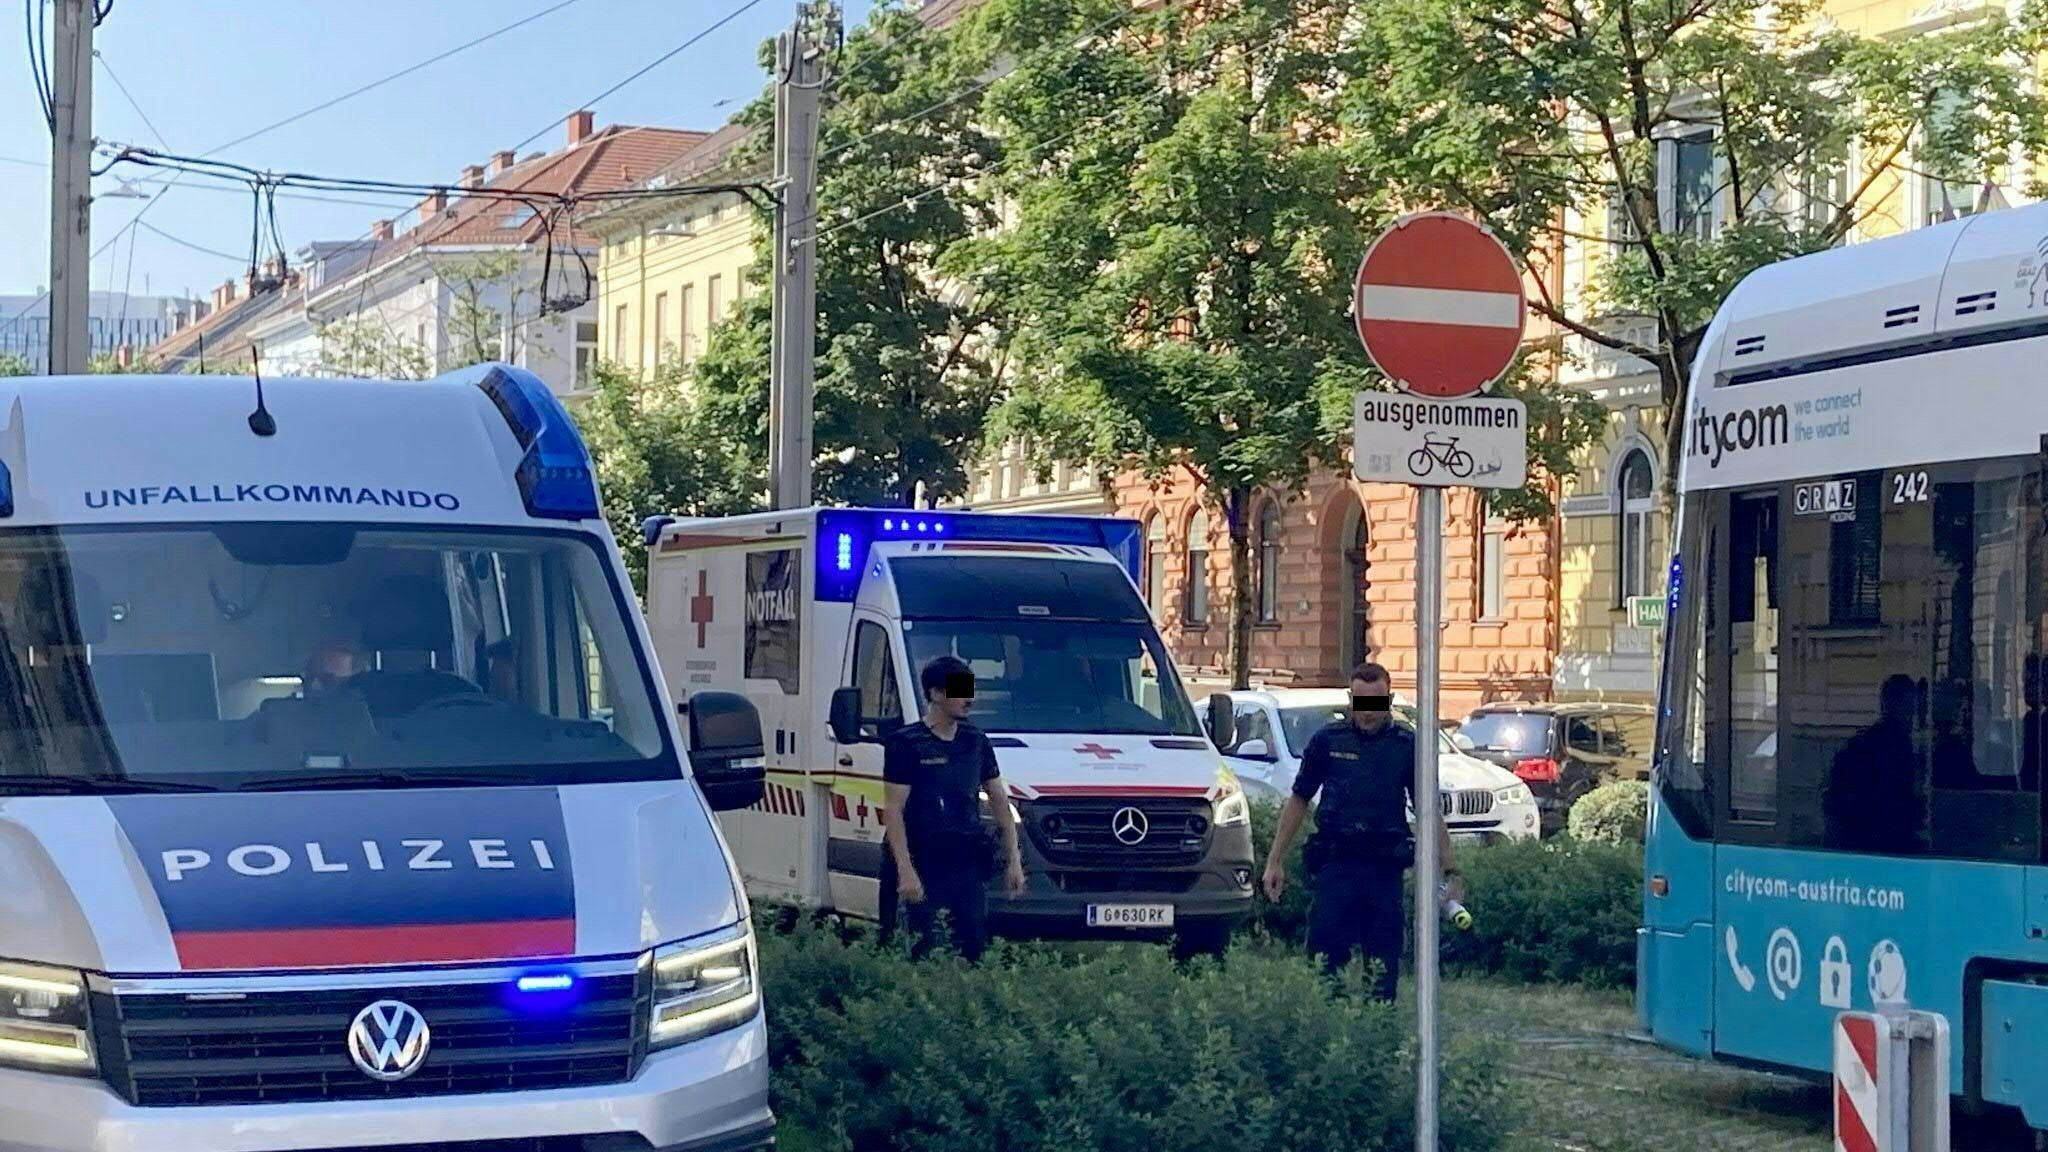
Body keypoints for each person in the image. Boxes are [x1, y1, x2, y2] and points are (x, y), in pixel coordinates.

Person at [1261, 662, 1461, 1000]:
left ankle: (1378, 1039)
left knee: (1382, 968)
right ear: (1350, 699)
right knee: (1324, 964)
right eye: (1361, 703)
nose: (1367, 714)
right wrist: (1274, 860)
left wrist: (1451, 870)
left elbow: (1428, 811)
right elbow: (1299, 799)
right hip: (1336, 865)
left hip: (1384, 869)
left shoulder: (1406, 745)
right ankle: (1329, 1038)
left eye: (1376, 704)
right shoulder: (1327, 741)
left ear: (1390, 699)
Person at [883, 655, 1026, 961]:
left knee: (973, 940)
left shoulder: (975, 740)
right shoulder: (906, 743)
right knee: (924, 943)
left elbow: (1000, 802)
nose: (969, 699)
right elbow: (893, 810)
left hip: (965, 856)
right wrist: (905, 870)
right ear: (935, 694)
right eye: (960, 691)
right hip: (923, 856)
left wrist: (1014, 859)